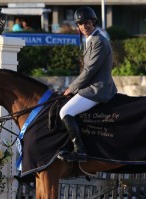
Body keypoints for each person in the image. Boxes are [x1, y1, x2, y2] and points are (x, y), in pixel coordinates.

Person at [58, 6, 117, 162]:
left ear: (94, 22)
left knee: (65, 111)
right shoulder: (89, 40)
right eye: (80, 24)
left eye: (87, 23)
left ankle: (80, 151)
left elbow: (89, 70)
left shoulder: (99, 41)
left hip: (97, 89)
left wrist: (71, 88)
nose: (84, 26)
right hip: (89, 87)